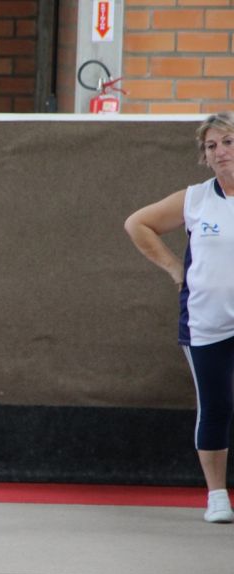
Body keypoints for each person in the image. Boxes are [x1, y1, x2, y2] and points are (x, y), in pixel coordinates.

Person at [124, 111, 234, 524]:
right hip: (207, 322)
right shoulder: (195, 199)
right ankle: (217, 495)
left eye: (227, 141)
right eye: (211, 146)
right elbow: (138, 224)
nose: (220, 151)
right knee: (217, 405)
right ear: (204, 157)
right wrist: (175, 268)